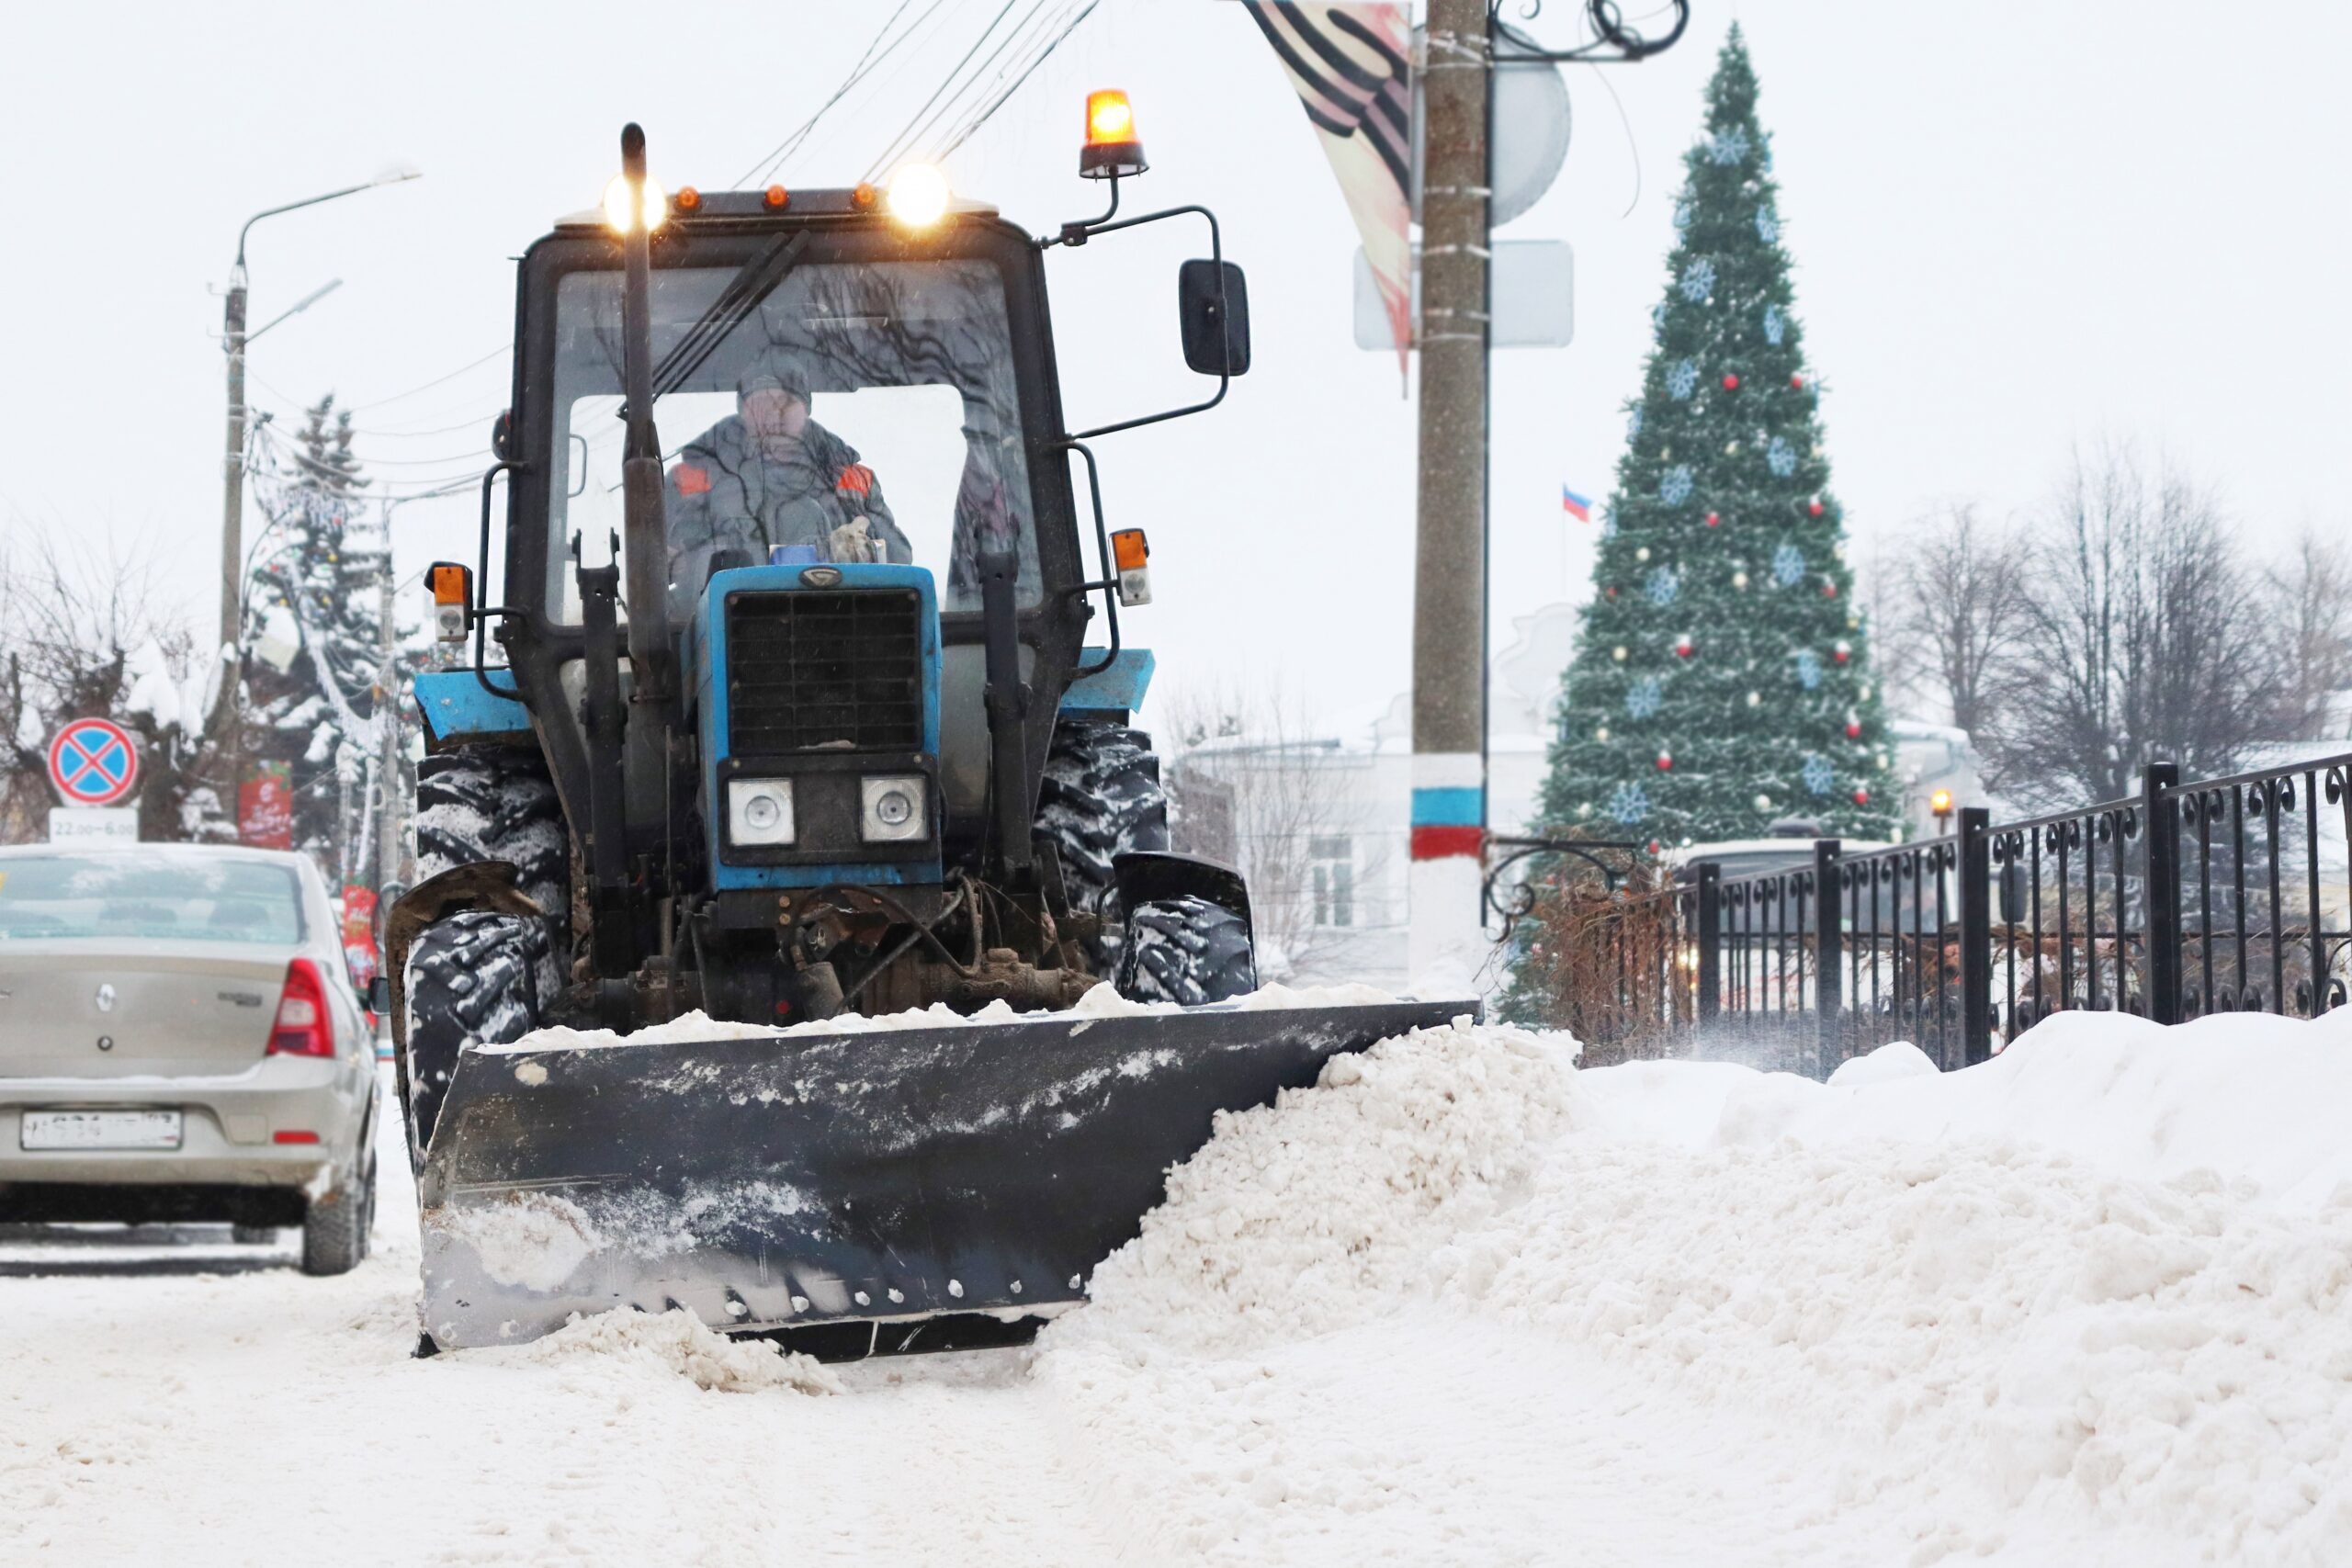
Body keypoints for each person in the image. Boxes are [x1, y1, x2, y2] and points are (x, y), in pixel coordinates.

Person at [664, 368, 912, 612]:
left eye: (787, 402)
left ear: (806, 409)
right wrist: (683, 561)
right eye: (762, 403)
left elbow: (900, 559)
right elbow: (649, 573)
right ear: (744, 412)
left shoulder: (854, 480)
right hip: (717, 630)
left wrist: (864, 550)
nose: (775, 415)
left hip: (842, 627)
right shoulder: (690, 479)